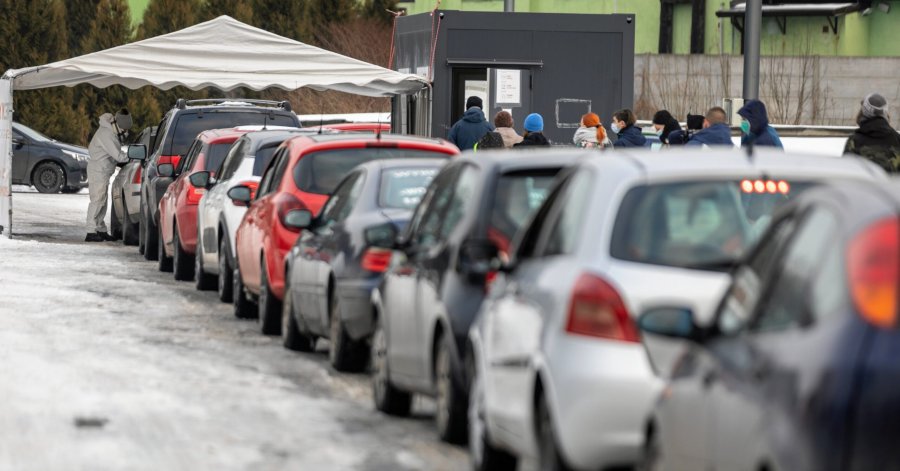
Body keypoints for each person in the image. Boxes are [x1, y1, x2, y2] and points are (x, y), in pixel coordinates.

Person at [85, 109, 131, 242]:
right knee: (97, 200)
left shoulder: (110, 132)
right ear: (117, 124)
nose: (124, 132)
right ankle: (90, 231)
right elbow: (117, 155)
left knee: (102, 201)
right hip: (98, 171)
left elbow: (114, 155)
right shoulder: (107, 134)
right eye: (123, 129)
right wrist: (130, 157)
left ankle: (100, 229)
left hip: (102, 171)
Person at [843, 93, 900, 172]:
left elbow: (846, 174)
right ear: (885, 113)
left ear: (863, 113)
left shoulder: (854, 142)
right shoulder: (897, 139)